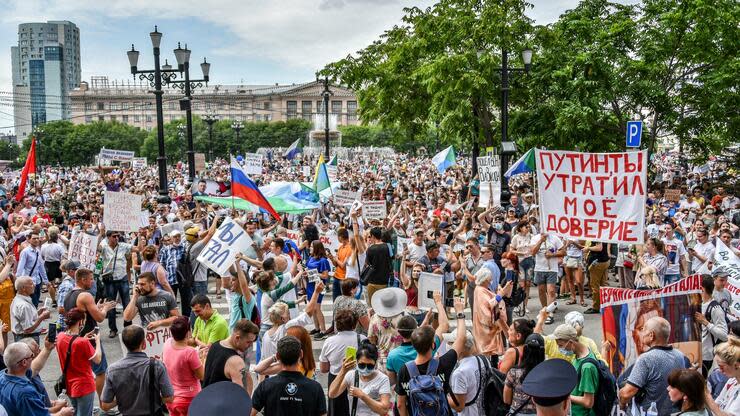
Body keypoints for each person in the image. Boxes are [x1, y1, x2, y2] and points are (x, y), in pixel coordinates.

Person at [395, 297, 468, 416]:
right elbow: (461, 338)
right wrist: (459, 312)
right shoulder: (444, 363)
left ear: (414, 345)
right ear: (433, 345)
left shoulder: (405, 370)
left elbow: (400, 404)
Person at [61, 268, 116, 413]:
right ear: (83, 280)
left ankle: (85, 406)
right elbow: (99, 318)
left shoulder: (69, 295)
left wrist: (96, 308)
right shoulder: (85, 295)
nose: (92, 282)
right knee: (100, 371)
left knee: (80, 372)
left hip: (74, 339)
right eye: (91, 279)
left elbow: (80, 312)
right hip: (89, 338)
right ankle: (104, 405)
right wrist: (104, 308)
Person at [618, 316, 689, 415]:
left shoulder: (646, 359)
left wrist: (622, 403)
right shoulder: (680, 355)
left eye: (644, 329)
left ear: (651, 335)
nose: (642, 333)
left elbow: (627, 393)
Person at [101, 325, 174, 416]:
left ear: (125, 344)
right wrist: (153, 398)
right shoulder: (157, 366)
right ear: (144, 343)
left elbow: (105, 405)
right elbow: (169, 398)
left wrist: (121, 400)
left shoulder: (112, 370)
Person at [250, 336, 327, 416]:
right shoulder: (315, 387)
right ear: (301, 354)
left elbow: (249, 412)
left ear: (278, 356)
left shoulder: (265, 386)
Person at [0, 342, 74, 416]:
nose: (33, 357)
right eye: (31, 355)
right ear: (24, 362)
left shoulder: (3, 375)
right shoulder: (24, 393)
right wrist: (62, 413)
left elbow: (34, 368)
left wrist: (47, 349)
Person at [320, 308, 368, 416]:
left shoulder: (329, 341)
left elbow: (323, 369)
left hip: (336, 379)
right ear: (355, 324)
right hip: (357, 380)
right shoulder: (363, 339)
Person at [56, 308, 102, 416]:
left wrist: (83, 338)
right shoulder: (82, 342)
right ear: (80, 322)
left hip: (69, 384)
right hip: (84, 385)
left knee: (76, 411)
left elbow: (72, 347)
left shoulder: (60, 337)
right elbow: (98, 359)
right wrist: (98, 341)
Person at [329, 339, 392, 416]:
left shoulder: (383, 379)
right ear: (356, 361)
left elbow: (384, 410)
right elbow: (332, 394)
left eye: (370, 366)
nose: (365, 369)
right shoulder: (351, 375)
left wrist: (362, 396)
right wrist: (343, 371)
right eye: (362, 365)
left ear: (375, 363)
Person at [551, 324, 598, 416]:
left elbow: (588, 402)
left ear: (571, 342)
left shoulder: (587, 367)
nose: (559, 349)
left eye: (561, 345)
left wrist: (563, 396)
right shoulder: (579, 354)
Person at [202, 319, 260, 394]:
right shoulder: (235, 361)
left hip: (205, 400)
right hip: (223, 404)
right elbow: (239, 394)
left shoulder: (214, 345)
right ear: (237, 338)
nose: (251, 346)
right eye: (248, 342)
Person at [161, 316, 203, 416]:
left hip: (171, 397)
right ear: (188, 332)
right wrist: (202, 358)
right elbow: (201, 376)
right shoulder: (190, 352)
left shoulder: (167, 343)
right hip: (188, 399)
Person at [98, 231, 132, 338]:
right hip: (110, 280)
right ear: (108, 237)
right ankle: (113, 329)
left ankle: (128, 327)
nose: (116, 238)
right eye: (114, 236)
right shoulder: (104, 247)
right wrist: (100, 233)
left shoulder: (123, 246)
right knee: (111, 305)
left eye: (118, 236)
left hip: (122, 279)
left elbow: (138, 248)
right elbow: (96, 247)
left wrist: (139, 236)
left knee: (127, 304)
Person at [472, 267, 510, 362]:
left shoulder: (482, 288)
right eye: (489, 280)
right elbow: (489, 305)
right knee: (488, 353)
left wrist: (503, 291)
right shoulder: (480, 290)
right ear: (484, 280)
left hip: (487, 328)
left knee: (493, 354)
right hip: (485, 327)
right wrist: (500, 294)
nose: (490, 282)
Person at [504, 333, 546, 416]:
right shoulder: (547, 374)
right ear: (542, 352)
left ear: (525, 350)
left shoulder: (513, 372)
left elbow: (506, 400)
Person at [694, 274, 728, 377]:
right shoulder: (695, 304)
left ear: (701, 289)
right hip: (693, 354)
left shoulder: (715, 308)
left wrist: (706, 323)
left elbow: (724, 335)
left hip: (705, 356)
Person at [530, 233, 564, 325]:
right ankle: (545, 309)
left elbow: (563, 252)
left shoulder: (555, 238)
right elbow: (532, 252)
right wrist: (541, 241)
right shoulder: (535, 238)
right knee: (541, 291)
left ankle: (549, 314)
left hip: (552, 269)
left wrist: (552, 254)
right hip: (539, 268)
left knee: (551, 291)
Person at [448, 329, 482, 415]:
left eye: (451, 343)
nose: (448, 345)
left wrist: (443, 396)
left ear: (461, 347)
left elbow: (459, 406)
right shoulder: (483, 360)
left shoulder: (460, 373)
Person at [704, 337, 740, 416]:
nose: (720, 370)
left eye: (722, 366)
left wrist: (708, 397)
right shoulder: (733, 380)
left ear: (736, 365)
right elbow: (718, 403)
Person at [10, 276, 50, 343]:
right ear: (23, 288)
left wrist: (37, 313)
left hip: (22, 337)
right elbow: (28, 329)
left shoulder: (18, 299)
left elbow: (24, 318)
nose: (34, 285)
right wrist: (41, 317)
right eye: (31, 284)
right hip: (27, 338)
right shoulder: (24, 305)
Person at [305, 240, 331, 339]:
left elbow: (325, 276)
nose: (310, 248)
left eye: (311, 246)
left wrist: (312, 272)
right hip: (310, 285)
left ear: (316, 248)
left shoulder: (323, 260)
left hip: (319, 286)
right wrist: (306, 273)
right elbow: (308, 269)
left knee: (317, 308)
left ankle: (323, 330)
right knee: (313, 308)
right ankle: (317, 328)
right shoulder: (311, 258)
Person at [16, 231, 48, 307]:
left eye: (38, 238)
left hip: (37, 281)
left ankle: (35, 317)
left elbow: (41, 267)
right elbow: (20, 268)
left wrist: (46, 281)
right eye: (34, 238)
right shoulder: (25, 252)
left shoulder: (38, 251)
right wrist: (18, 283)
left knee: (35, 302)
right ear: (29, 239)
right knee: (32, 303)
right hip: (28, 282)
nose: (36, 240)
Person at [365, 226, 393, 303]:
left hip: (372, 281)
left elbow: (367, 264)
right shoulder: (388, 246)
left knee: (372, 305)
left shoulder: (370, 249)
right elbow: (391, 259)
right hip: (384, 281)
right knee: (383, 305)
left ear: (373, 236)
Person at [583, 240, 610, 314]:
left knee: (595, 286)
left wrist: (588, 248)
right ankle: (604, 305)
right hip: (604, 260)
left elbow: (599, 248)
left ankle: (596, 307)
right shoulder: (603, 234)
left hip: (597, 262)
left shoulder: (598, 235)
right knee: (602, 285)